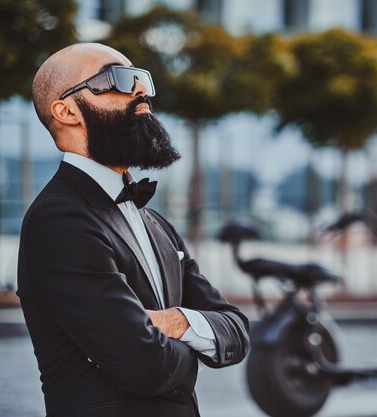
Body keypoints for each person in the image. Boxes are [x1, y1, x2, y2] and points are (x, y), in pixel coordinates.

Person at [16, 43, 249, 417]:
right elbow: (144, 366)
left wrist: (177, 321)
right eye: (118, 80)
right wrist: (197, 345)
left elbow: (237, 330)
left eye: (140, 79)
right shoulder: (59, 219)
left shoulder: (156, 224)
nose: (140, 90)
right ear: (67, 110)